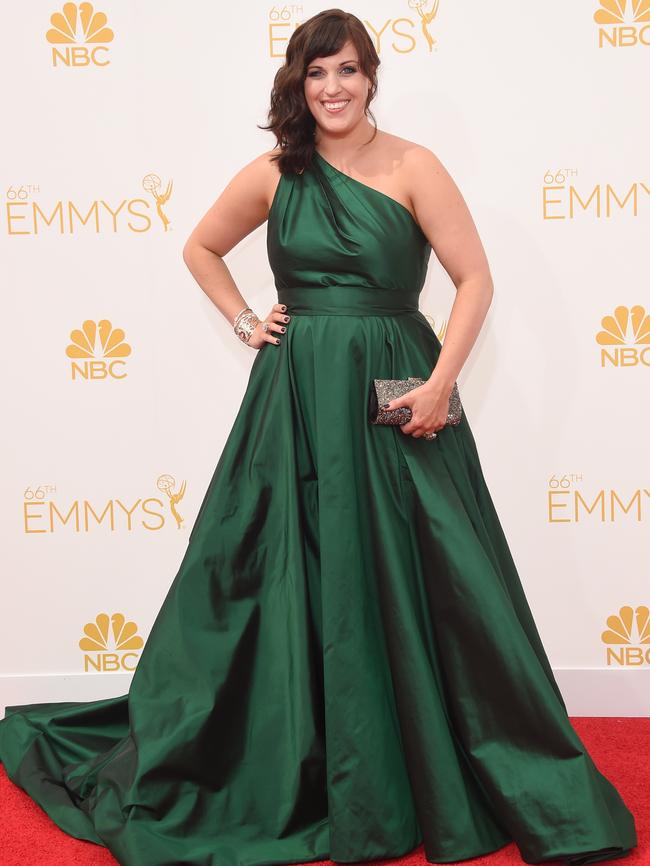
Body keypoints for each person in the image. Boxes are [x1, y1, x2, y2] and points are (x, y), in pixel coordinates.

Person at [0, 9, 637, 866]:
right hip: (295, 395)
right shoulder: (276, 170)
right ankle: (297, 763)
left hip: (397, 385)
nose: (331, 88)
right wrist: (243, 322)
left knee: (439, 575)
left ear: (372, 76)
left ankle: (440, 763)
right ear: (298, 85)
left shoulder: (416, 166)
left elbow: (475, 278)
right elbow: (200, 246)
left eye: (346, 70)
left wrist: (442, 383)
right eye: (315, 74)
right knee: (280, 569)